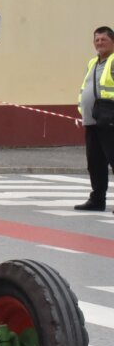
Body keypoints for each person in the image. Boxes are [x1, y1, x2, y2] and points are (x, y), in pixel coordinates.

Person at [74, 26, 114, 212]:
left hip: (110, 118)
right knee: (95, 163)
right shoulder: (93, 63)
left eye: (103, 40)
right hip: (92, 120)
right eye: (96, 40)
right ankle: (97, 200)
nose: (99, 43)